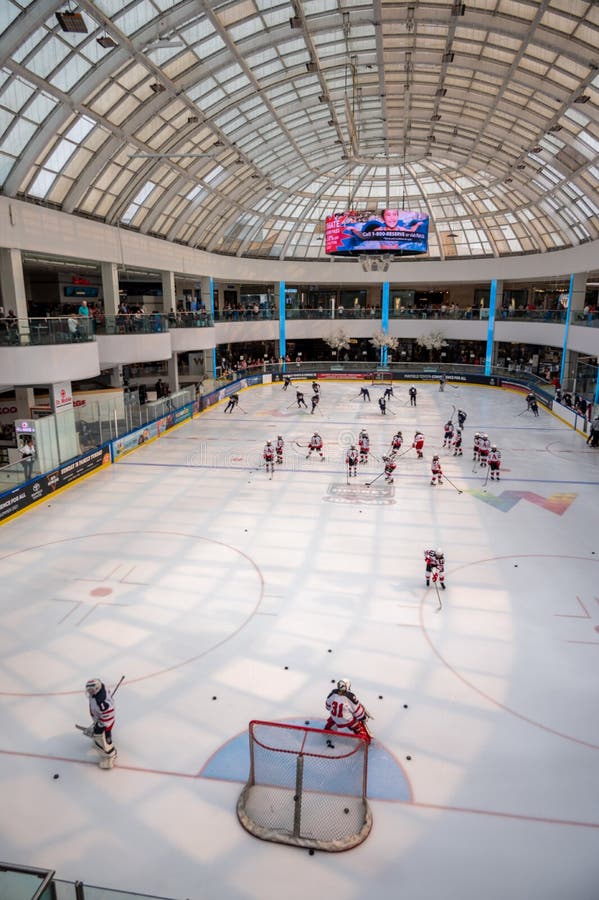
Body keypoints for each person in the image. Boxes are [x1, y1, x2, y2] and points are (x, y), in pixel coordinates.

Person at [81, 679, 117, 769]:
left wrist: (98, 727)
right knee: (103, 735)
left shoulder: (101, 702)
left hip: (105, 723)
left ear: (97, 689)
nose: (90, 692)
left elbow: (108, 715)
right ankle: (106, 738)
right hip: (100, 719)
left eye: (91, 690)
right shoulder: (100, 690)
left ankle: (110, 754)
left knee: (101, 738)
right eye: (88, 690)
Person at [324, 678, 371, 744]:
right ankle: (365, 739)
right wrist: (363, 717)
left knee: (333, 719)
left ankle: (327, 729)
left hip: (334, 717)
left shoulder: (333, 693)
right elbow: (358, 711)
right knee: (357, 725)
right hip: (347, 720)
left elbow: (327, 706)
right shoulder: (350, 697)